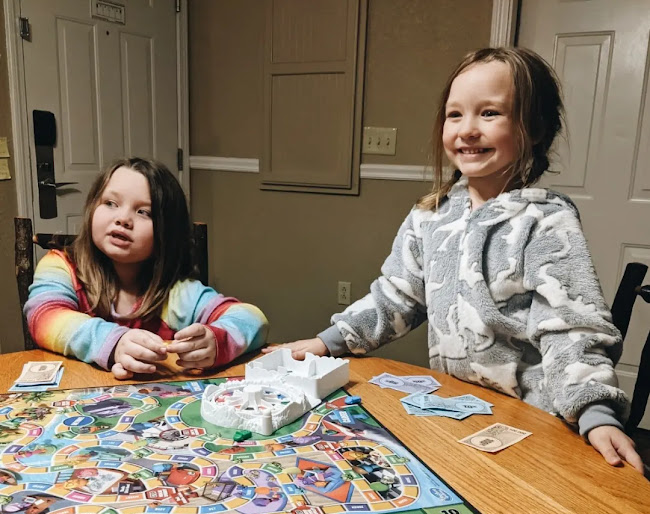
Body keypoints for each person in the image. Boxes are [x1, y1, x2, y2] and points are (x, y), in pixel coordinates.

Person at [265, 47, 643, 473]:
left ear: (535, 127)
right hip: (458, 409)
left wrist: (595, 413)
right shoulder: (429, 215)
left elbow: (571, 327)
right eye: (455, 115)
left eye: (489, 113)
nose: (467, 130)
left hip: (534, 421)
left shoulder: (545, 222)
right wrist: (328, 342)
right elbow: (397, 297)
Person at [25, 157, 268, 379]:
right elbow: (43, 317)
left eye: (143, 212)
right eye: (110, 203)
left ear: (167, 232)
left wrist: (217, 342)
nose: (123, 218)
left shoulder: (175, 294)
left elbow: (253, 319)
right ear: (91, 208)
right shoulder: (61, 266)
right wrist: (114, 342)